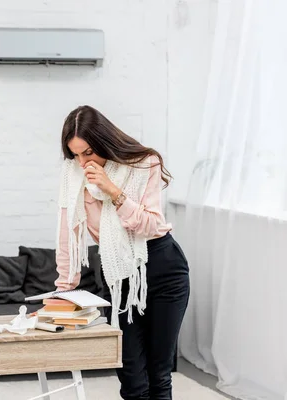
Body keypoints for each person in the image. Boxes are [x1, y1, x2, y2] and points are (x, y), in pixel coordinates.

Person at [54, 105, 190, 400]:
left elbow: (149, 225)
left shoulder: (144, 164)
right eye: (76, 154)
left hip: (161, 266)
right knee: (129, 375)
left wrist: (113, 191)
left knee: (159, 374)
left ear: (104, 141)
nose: (82, 161)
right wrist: (63, 291)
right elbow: (69, 234)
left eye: (88, 152)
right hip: (117, 275)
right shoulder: (72, 174)